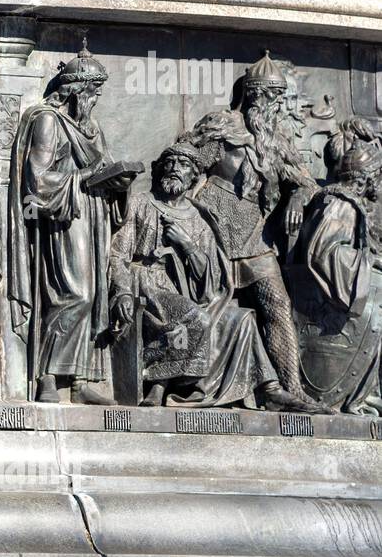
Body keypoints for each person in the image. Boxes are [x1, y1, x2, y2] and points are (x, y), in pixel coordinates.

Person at [109, 143, 314, 410]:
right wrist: (123, 291)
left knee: (241, 319)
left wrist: (187, 246)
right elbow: (118, 255)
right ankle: (159, 385)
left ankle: (269, 389)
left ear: (193, 175)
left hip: (184, 292)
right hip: (145, 284)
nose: (174, 170)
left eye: (183, 165)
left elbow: (209, 278)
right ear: (158, 170)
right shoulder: (140, 204)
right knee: (196, 318)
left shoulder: (197, 218)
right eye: (169, 164)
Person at [183, 51, 318, 401]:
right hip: (211, 225)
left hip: (254, 233)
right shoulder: (223, 124)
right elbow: (186, 159)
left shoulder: (277, 140)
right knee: (212, 306)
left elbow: (305, 182)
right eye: (267, 97)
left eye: (277, 98)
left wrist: (296, 199)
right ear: (253, 95)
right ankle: (197, 380)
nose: (272, 105)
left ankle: (290, 391)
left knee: (276, 304)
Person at [7, 41, 133, 404]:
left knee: (93, 297)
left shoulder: (91, 126)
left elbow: (103, 166)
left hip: (93, 216)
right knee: (72, 294)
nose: (96, 100)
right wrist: (85, 177)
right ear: (76, 91)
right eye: (94, 93)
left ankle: (78, 381)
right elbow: (37, 178)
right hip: (63, 216)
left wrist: (118, 184)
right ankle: (48, 376)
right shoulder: (48, 121)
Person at [292, 145, 382, 414]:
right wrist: (368, 262)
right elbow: (322, 253)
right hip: (325, 300)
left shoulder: (341, 203)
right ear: (368, 177)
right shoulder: (340, 205)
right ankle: (366, 393)